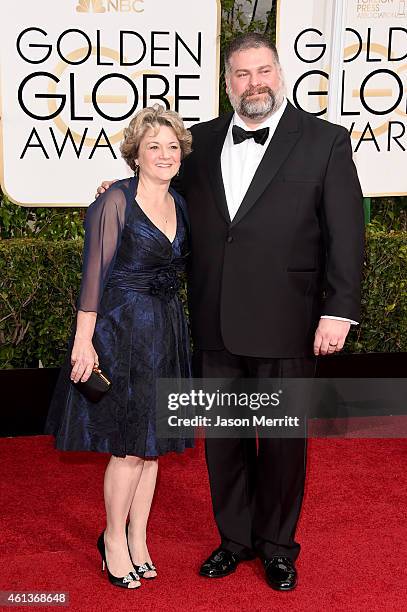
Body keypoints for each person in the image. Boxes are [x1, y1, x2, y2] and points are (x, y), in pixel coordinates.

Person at [96, 33, 365, 591]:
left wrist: (337, 312)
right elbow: (160, 198)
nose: (254, 83)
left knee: (284, 443)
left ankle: (277, 546)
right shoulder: (199, 141)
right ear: (227, 82)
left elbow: (347, 237)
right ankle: (235, 538)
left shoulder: (325, 142)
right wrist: (115, 191)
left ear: (280, 72)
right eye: (241, 75)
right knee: (224, 441)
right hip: (214, 320)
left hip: (289, 322)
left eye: (263, 70)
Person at [45, 105, 193, 589]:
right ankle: (112, 540)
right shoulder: (114, 202)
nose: (164, 154)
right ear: (136, 154)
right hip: (122, 330)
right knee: (129, 448)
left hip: (166, 331)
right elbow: (94, 275)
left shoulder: (182, 203)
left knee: (153, 449)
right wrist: (83, 344)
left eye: (172, 146)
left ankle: (139, 539)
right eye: (154, 146)